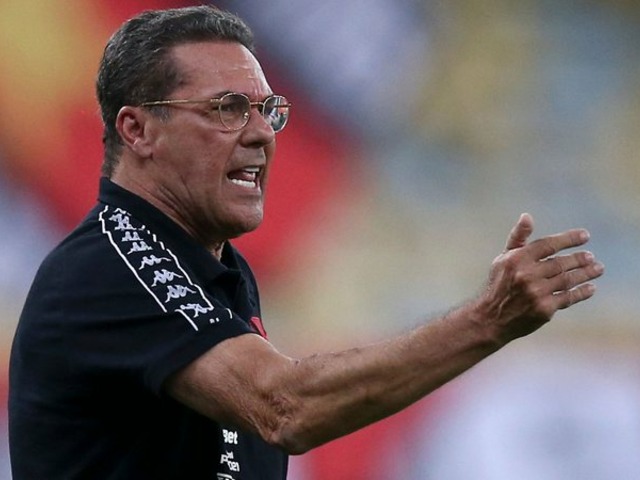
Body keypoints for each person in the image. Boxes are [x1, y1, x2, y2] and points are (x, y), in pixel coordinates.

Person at [8, 5, 604, 480]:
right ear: (137, 130)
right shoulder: (114, 266)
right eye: (227, 109)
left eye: (268, 111)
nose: (262, 134)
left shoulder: (211, 269)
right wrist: (487, 322)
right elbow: (283, 407)